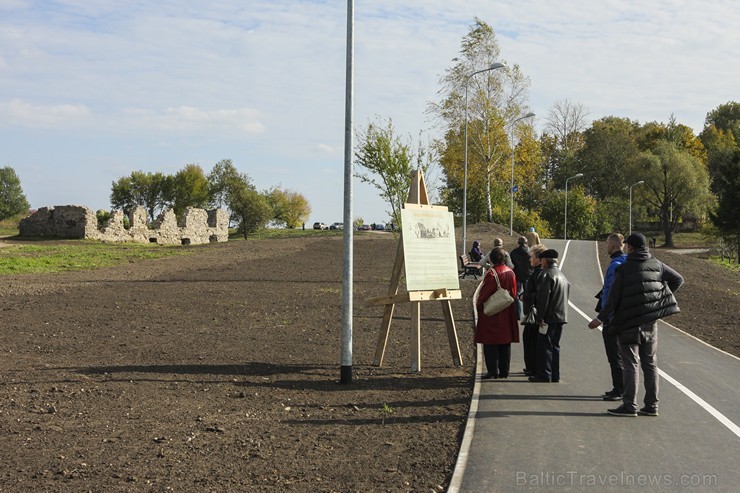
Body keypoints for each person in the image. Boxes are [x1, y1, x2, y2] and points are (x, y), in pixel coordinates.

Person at [590, 232, 684, 417]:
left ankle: (629, 405)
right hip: (650, 322)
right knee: (650, 363)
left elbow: (613, 300)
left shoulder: (624, 269)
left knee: (630, 363)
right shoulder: (657, 264)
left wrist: (599, 319)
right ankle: (651, 405)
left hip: (628, 323)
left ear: (630, 247)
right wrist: (659, 298)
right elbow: (678, 279)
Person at [588, 233, 627, 401]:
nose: (605, 247)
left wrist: (601, 317)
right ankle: (620, 388)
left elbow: (610, 293)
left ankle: (619, 389)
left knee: (614, 356)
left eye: (606, 244)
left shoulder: (614, 266)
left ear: (612, 246)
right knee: (624, 355)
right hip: (626, 315)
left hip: (612, 318)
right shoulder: (627, 262)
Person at [475, 248, 520, 379]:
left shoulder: (492, 273)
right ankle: (504, 371)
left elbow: (484, 294)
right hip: (507, 309)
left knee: (491, 342)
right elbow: (514, 291)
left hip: (493, 311)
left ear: (491, 259)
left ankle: (492, 370)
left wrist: (479, 307)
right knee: (505, 342)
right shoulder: (510, 272)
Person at [529, 249, 570, 383]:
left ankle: (544, 374)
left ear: (545, 260)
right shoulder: (562, 275)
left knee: (545, 346)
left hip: (549, 316)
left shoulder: (546, 275)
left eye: (541, 260)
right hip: (561, 316)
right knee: (555, 346)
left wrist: (540, 317)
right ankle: (554, 374)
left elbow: (543, 298)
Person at [520, 243, 546, 376]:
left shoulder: (539, 274)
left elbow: (539, 294)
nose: (530, 259)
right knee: (530, 339)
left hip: (533, 313)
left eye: (532, 257)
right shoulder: (537, 273)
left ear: (539, 259)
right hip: (532, 312)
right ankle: (530, 366)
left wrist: (526, 296)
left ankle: (532, 367)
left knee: (531, 340)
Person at [510, 236, 533, 320]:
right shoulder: (530, 252)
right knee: (528, 294)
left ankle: (518, 314)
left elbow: (511, 264)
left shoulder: (513, 252)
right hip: (528, 276)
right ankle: (528, 313)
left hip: (517, 275)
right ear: (526, 243)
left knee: (517, 294)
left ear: (518, 243)